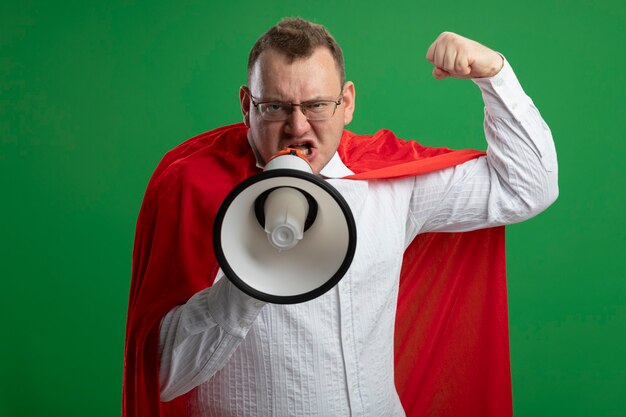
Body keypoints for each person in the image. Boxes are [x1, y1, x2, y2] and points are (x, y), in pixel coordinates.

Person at [123, 17, 558, 417]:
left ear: (347, 103)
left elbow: (527, 189)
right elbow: (161, 376)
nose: (297, 127)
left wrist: (494, 75)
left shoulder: (390, 180)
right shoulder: (194, 191)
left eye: (316, 105)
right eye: (275, 107)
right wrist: (249, 281)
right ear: (246, 106)